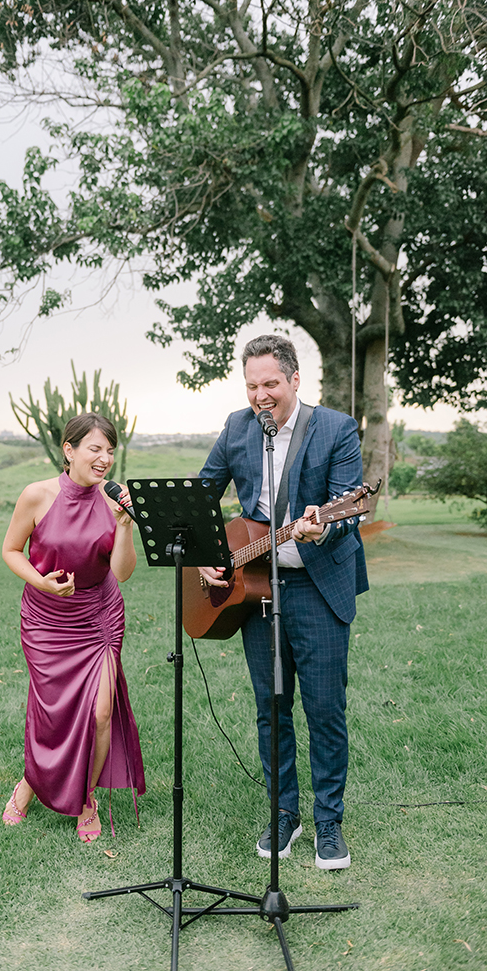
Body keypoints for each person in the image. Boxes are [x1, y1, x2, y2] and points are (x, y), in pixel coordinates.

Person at [199, 334, 368, 870]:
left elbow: (351, 509)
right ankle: (283, 812)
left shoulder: (336, 429)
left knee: (324, 711)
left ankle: (328, 821)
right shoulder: (237, 427)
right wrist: (204, 551)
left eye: (270, 383)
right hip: (256, 592)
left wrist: (324, 530)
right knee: (271, 711)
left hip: (318, 590)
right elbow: (203, 493)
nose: (260, 395)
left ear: (296, 380)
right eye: (252, 385)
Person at [1, 412, 145, 842]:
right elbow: (11, 551)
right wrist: (40, 581)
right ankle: (29, 784)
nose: (105, 459)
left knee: (101, 713)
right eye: (95, 449)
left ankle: (86, 799)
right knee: (53, 715)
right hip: (46, 620)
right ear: (69, 450)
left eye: (110, 451)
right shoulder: (37, 495)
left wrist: (124, 528)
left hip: (99, 616)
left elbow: (123, 572)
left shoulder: (114, 501)